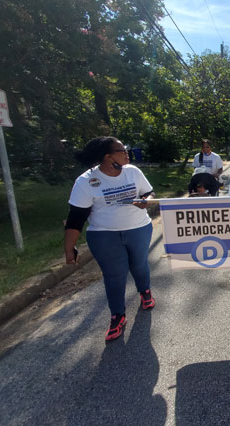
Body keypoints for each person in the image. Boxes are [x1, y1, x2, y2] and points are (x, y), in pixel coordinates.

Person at [64, 136, 155, 341]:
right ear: (107, 156)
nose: (126, 154)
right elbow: (76, 218)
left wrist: (145, 201)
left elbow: (149, 193)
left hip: (138, 228)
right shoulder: (86, 181)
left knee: (139, 265)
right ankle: (117, 315)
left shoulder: (133, 172)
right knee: (115, 275)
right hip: (104, 235)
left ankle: (145, 291)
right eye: (121, 150)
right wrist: (69, 248)